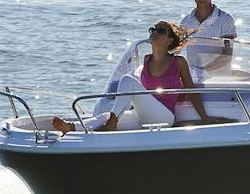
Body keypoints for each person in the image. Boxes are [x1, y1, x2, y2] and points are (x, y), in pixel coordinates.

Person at [52, 20, 216, 134]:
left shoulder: (178, 62)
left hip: (164, 116)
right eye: (152, 29)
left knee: (128, 81)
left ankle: (111, 123)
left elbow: (191, 91)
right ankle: (72, 127)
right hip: (143, 116)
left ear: (169, 40)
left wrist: (205, 117)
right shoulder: (146, 60)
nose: (154, 32)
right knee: (105, 116)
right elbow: (142, 99)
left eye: (160, 31)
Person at [180, 0, 236, 79]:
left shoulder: (225, 19)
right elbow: (176, 51)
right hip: (194, 80)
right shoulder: (185, 22)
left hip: (219, 81)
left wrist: (203, 72)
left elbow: (226, 56)